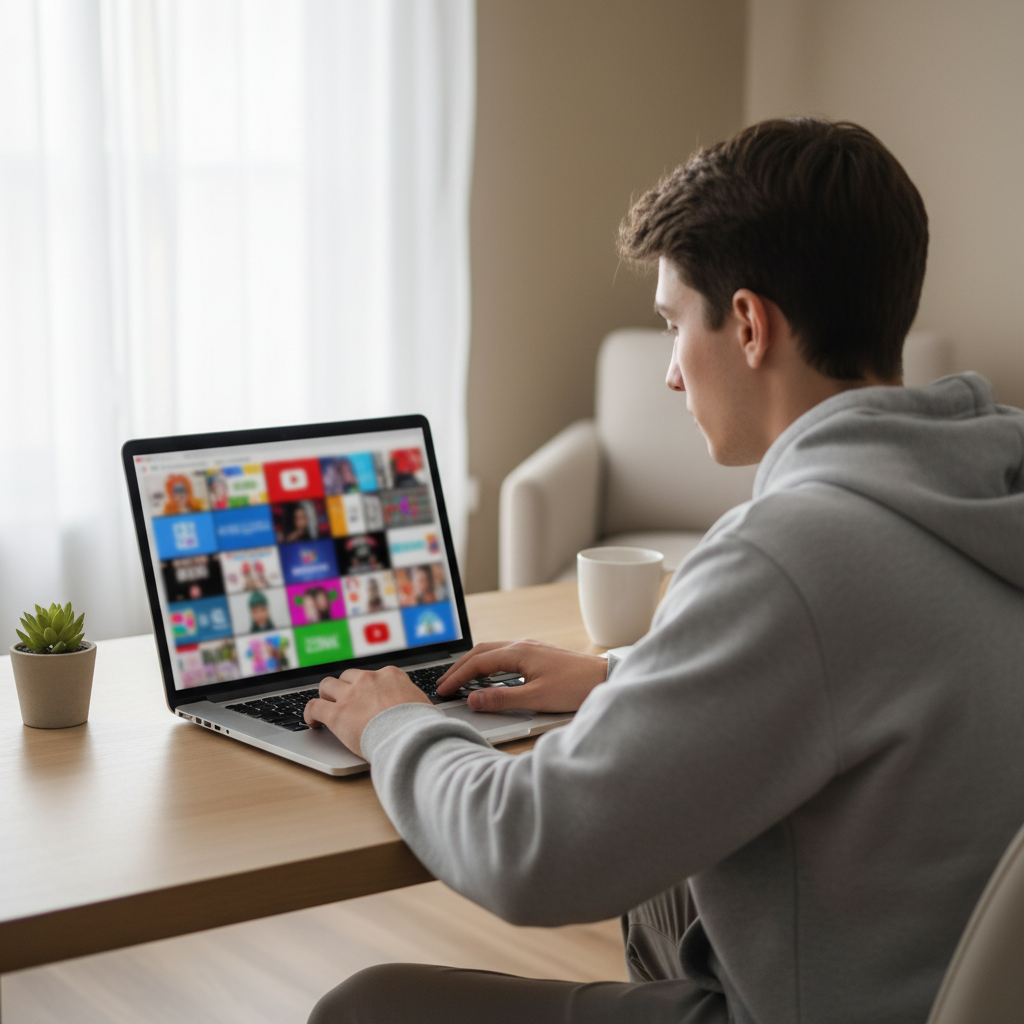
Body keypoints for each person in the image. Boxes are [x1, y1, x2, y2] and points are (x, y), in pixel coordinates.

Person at [302, 119, 1024, 1024]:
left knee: (365, 1008)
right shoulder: (988, 488)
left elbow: (528, 848)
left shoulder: (790, 555)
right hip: (935, 976)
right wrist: (617, 677)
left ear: (751, 324)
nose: (673, 375)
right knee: (666, 884)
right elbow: (868, 672)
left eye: (673, 324)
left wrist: (396, 724)